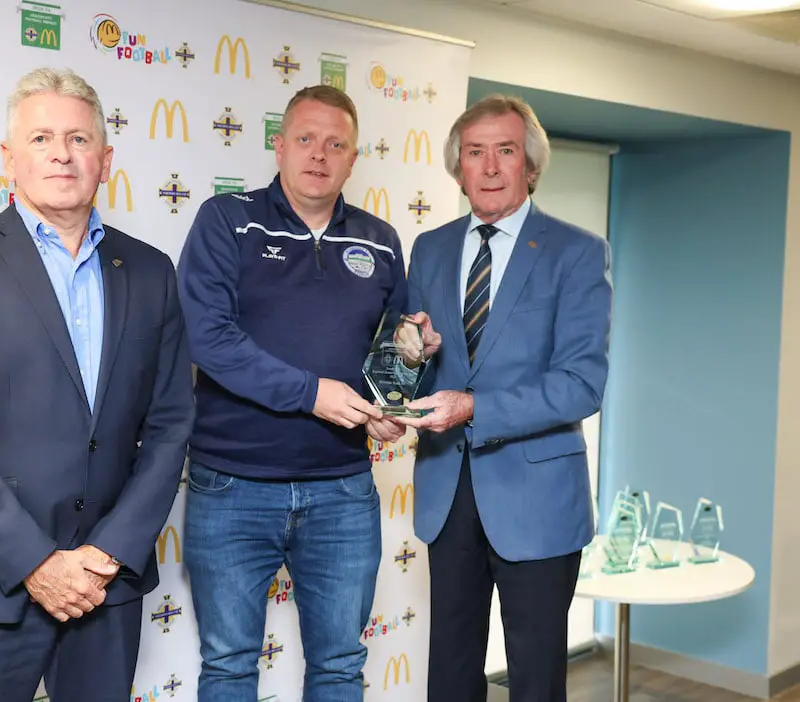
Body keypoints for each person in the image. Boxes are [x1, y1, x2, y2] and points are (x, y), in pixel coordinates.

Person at [0, 67, 194, 702]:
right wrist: (36, 563)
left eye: (79, 138)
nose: (61, 153)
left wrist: (106, 557)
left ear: (106, 159)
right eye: (40, 139)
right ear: (9, 159)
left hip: (105, 584)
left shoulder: (150, 271)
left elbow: (170, 427)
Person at [176, 84, 407, 701]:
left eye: (336, 144)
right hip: (232, 485)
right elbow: (210, 339)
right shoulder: (227, 220)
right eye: (305, 139)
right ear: (278, 147)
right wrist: (312, 394)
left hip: (343, 489)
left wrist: (396, 390)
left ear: (354, 159)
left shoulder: (382, 241)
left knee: (338, 667)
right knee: (228, 665)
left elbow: (390, 351)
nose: (318, 154)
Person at [396, 94, 612, 702]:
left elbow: (581, 384)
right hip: (447, 489)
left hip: (537, 501)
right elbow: (418, 366)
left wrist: (475, 408)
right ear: (458, 167)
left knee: (536, 680)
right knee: (450, 674)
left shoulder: (577, 252)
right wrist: (412, 356)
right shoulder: (430, 248)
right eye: (474, 152)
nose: (489, 166)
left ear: (531, 166)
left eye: (505, 151)